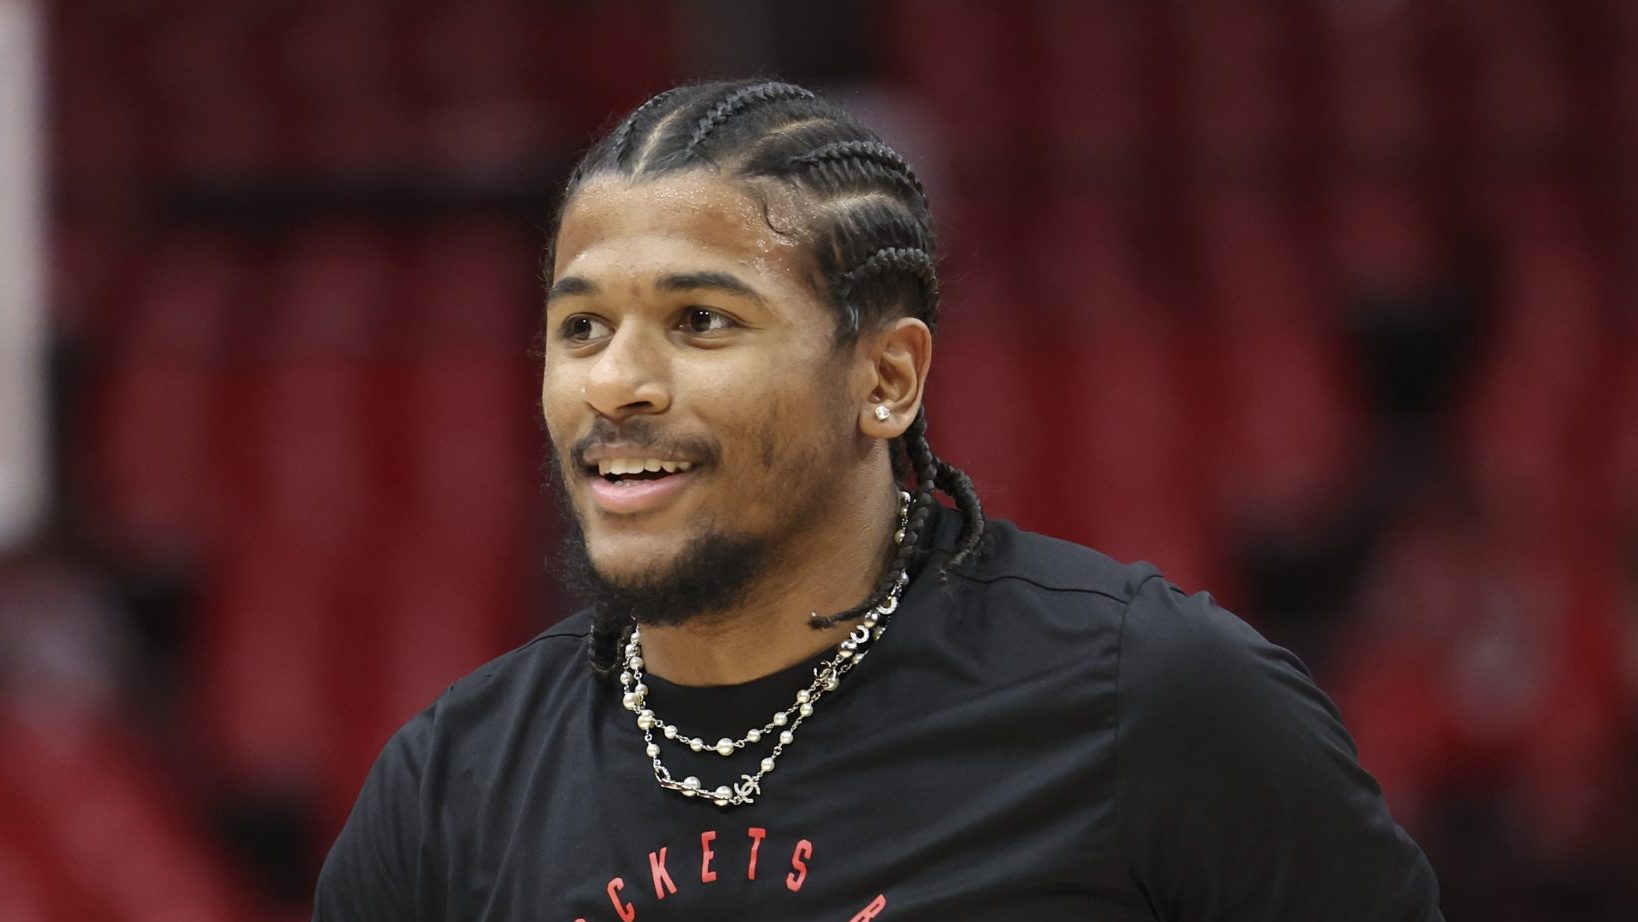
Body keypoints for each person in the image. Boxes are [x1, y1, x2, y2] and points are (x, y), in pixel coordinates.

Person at [314, 78, 1444, 921]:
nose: (615, 382)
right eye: (581, 327)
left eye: (702, 321)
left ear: (886, 378)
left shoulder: (1150, 701)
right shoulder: (447, 790)